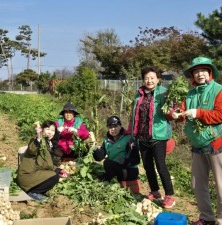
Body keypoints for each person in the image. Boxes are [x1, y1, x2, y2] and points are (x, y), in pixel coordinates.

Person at [172, 57, 222, 225]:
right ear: (192, 75)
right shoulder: (190, 93)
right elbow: (183, 111)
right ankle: (207, 218)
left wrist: (199, 113)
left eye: (203, 71)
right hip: (197, 144)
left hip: (215, 143)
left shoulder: (218, 90)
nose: (200, 74)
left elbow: (220, 115)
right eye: (196, 71)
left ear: (210, 73)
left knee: (220, 185)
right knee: (197, 184)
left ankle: (221, 219)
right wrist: (177, 113)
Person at [129, 66, 175, 208]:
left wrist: (172, 108)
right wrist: (132, 135)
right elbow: (134, 116)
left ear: (158, 79)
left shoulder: (164, 93)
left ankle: (169, 196)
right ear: (143, 79)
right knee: (148, 166)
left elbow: (170, 114)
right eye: (146, 78)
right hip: (142, 136)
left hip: (158, 136)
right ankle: (155, 192)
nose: (149, 80)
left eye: (152, 78)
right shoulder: (139, 94)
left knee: (161, 166)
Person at [17, 121, 68, 202]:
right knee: (54, 176)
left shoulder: (46, 143)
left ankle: (36, 190)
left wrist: (60, 170)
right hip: (26, 176)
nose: (50, 132)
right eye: (48, 129)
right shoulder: (36, 141)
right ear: (42, 130)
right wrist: (38, 137)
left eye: (52, 130)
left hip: (34, 174)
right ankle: (32, 192)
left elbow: (47, 164)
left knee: (56, 174)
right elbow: (32, 150)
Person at [93, 116, 140, 194]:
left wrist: (126, 160)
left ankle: (109, 177)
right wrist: (97, 153)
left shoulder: (128, 138)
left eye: (115, 126)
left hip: (128, 170)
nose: (113, 129)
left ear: (120, 126)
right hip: (116, 169)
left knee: (107, 162)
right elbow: (102, 154)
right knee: (107, 163)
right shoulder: (107, 140)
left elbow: (136, 160)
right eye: (110, 127)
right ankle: (109, 177)